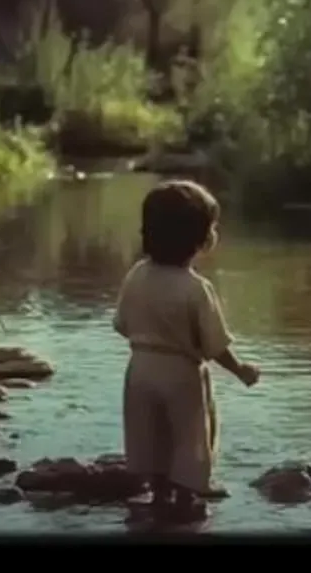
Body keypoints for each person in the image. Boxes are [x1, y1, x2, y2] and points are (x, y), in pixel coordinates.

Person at [112, 179, 261, 523]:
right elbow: (214, 344)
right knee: (189, 433)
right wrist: (240, 369)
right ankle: (186, 495)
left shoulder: (137, 274)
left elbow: (121, 323)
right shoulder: (195, 288)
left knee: (147, 430)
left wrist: (148, 339)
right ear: (201, 239)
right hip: (181, 372)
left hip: (140, 368)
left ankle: (158, 492)